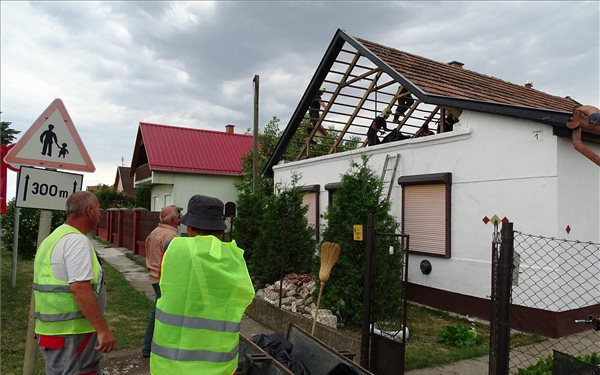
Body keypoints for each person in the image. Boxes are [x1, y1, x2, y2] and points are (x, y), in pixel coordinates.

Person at [150, 195, 255, 375]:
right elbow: (245, 296)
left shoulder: (174, 248)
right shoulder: (234, 257)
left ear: (190, 228)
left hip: (170, 363)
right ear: (220, 231)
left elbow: (164, 280)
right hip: (218, 364)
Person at [33, 191, 116, 375]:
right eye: (99, 210)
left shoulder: (52, 239)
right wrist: (103, 330)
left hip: (52, 332)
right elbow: (80, 289)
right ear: (89, 211)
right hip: (72, 334)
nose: (101, 215)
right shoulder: (76, 241)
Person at [141, 205, 181, 358]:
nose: (180, 218)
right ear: (172, 219)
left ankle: (148, 347)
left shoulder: (154, 233)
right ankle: (152, 348)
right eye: (178, 215)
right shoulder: (171, 238)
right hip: (165, 279)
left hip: (154, 278)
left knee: (157, 311)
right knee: (164, 314)